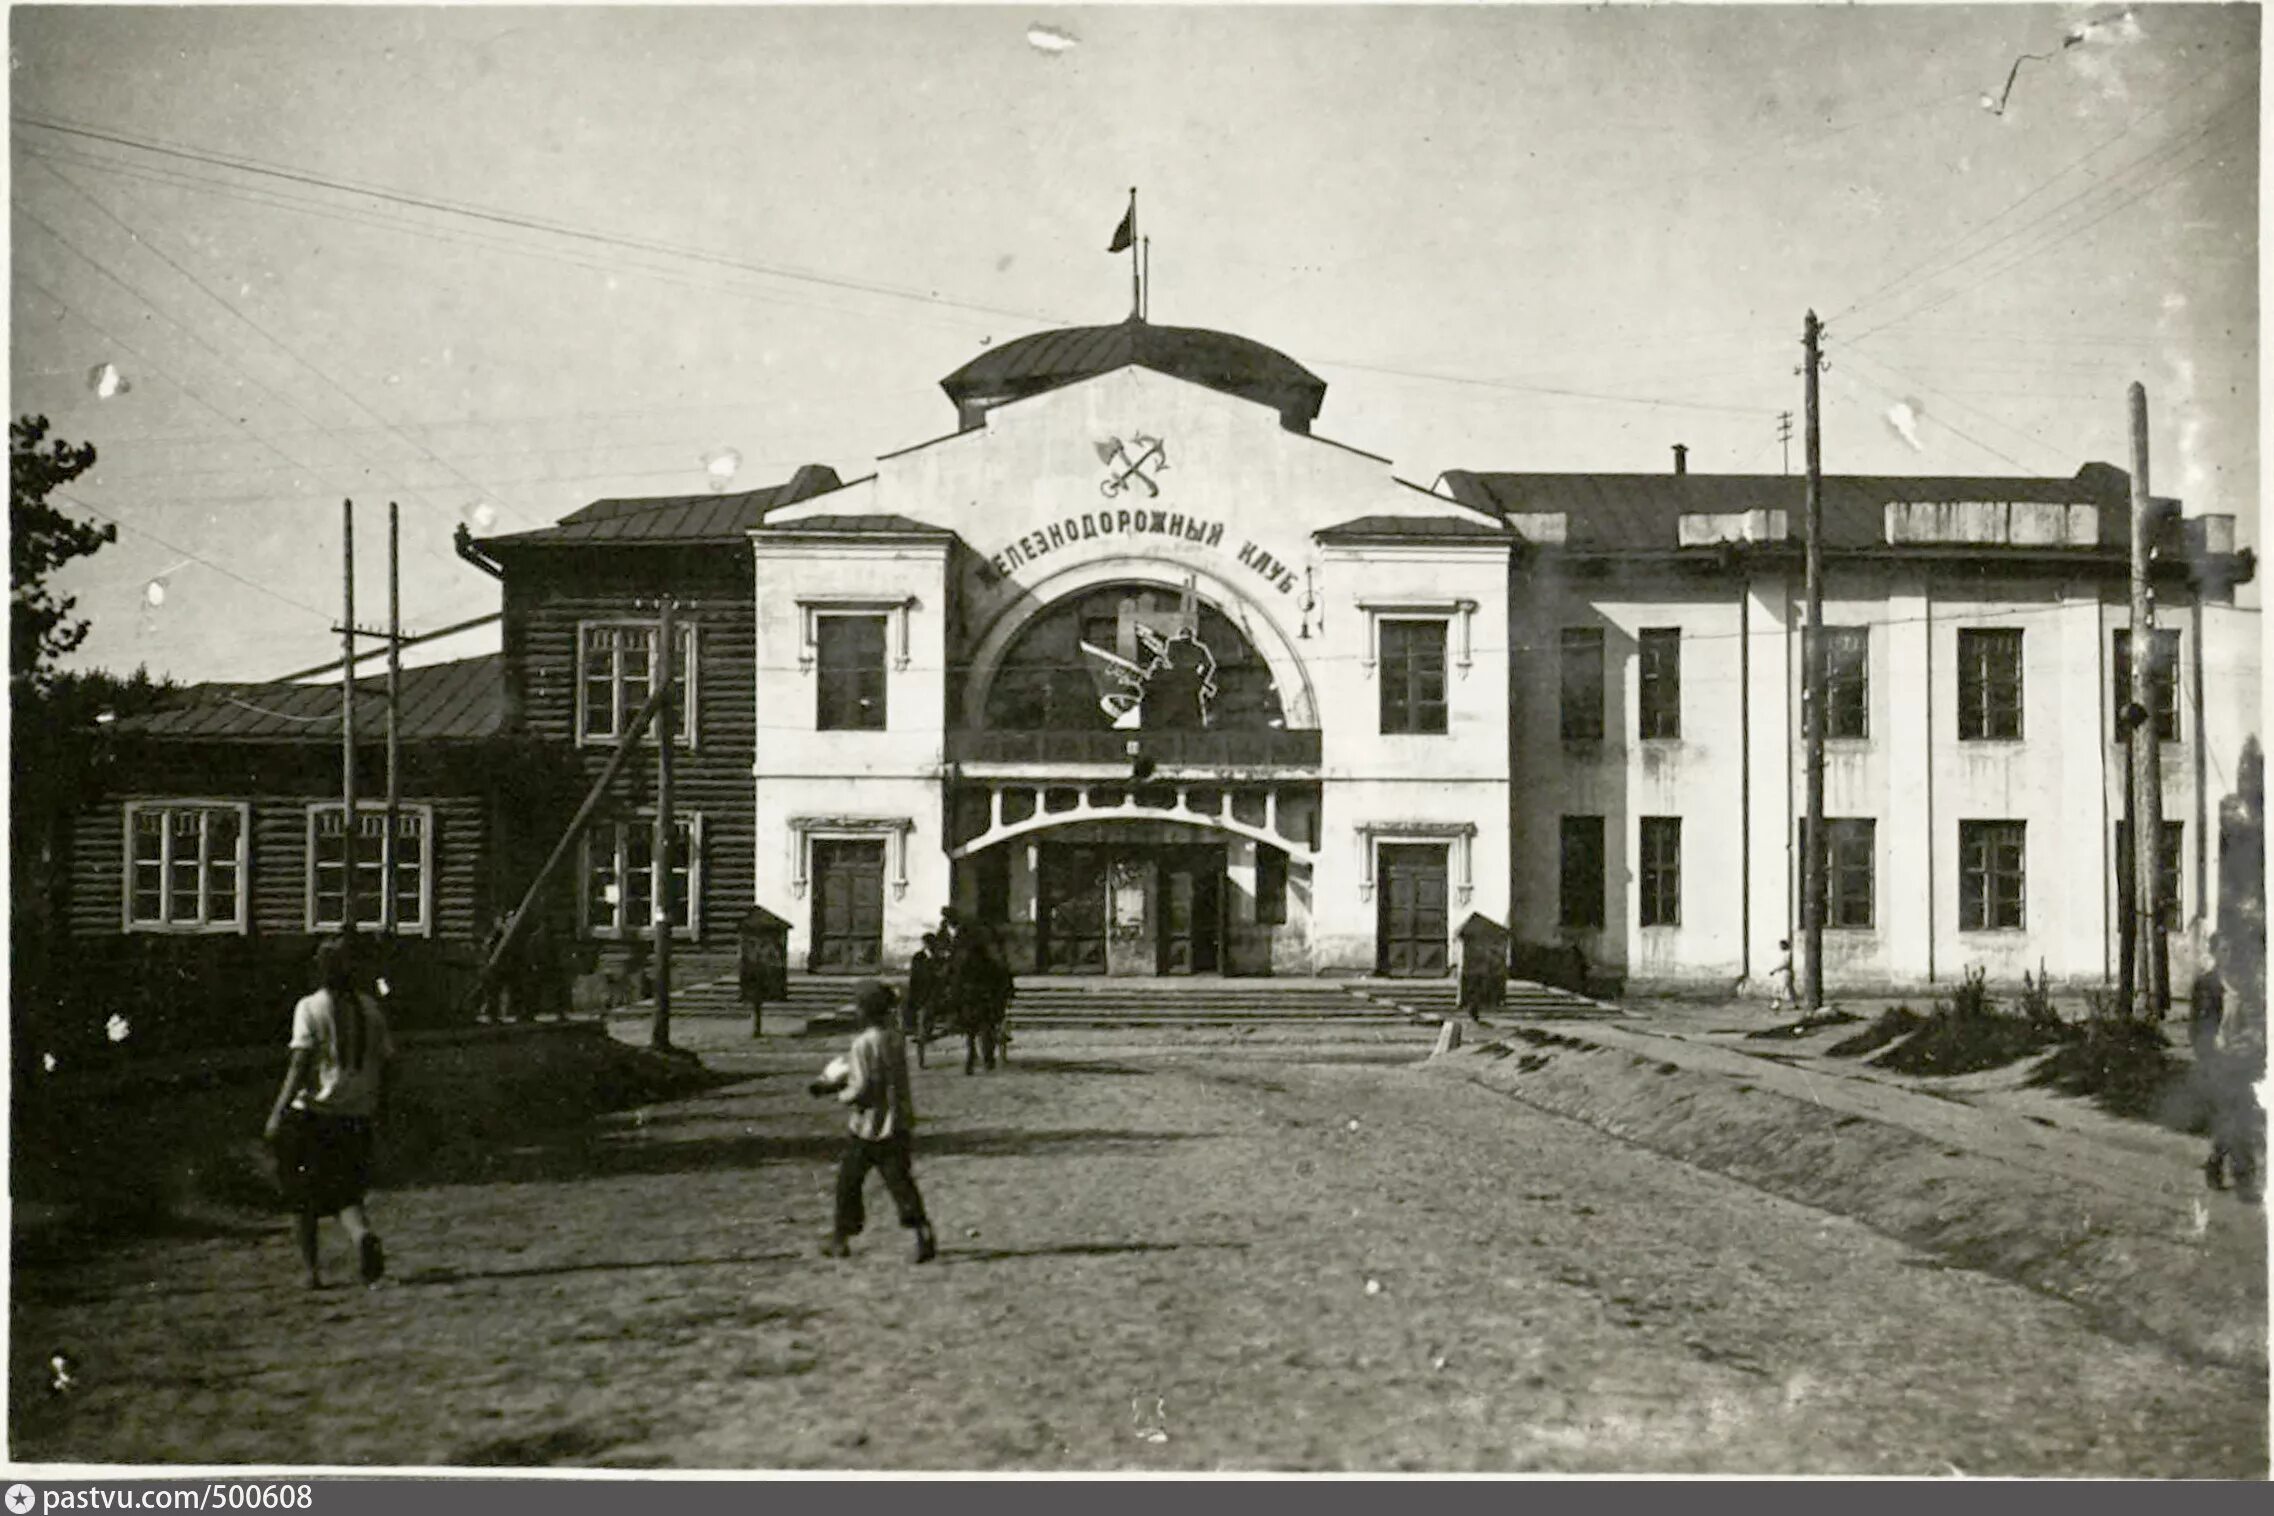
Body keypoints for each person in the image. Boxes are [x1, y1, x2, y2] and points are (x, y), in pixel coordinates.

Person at [263, 936, 397, 1289]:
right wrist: (379, 1108)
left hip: (313, 1115)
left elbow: (299, 1065)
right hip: (356, 1114)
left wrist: (277, 1112)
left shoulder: (309, 1007)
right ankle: (362, 1235)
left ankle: (311, 1271)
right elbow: (387, 1063)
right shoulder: (370, 1009)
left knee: (301, 1198)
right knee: (347, 1193)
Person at [811, 980, 935, 1263]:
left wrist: (837, 1091)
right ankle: (923, 1234)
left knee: (849, 1182)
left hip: (869, 1125)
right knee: (901, 1182)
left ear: (865, 1011)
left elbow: (863, 1086)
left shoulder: (863, 1043)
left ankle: (840, 1238)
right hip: (898, 1122)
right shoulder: (894, 1037)